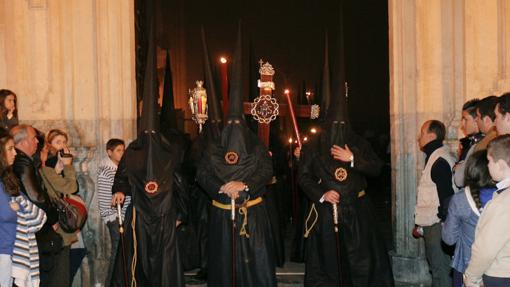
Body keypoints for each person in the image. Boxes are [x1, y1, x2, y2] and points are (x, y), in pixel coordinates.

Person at [110, 8, 188, 285]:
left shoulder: (170, 150)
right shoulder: (132, 151)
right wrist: (119, 191)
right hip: (139, 217)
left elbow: (180, 182)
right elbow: (121, 178)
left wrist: (181, 213)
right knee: (139, 260)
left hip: (166, 216)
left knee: (166, 264)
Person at [196, 26, 277, 287]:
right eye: (229, 126)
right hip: (221, 215)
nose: (233, 131)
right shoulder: (213, 147)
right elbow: (202, 174)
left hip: (252, 214)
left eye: (237, 126)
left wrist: (244, 185)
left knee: (255, 266)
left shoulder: (255, 146)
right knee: (223, 265)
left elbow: (265, 171)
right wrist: (222, 187)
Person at [11, 124, 68, 287]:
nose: (37, 141)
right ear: (22, 142)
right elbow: (36, 196)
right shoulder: (22, 163)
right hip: (38, 229)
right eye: (33, 138)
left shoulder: (26, 161)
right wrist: (53, 218)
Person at [442, 150, 496, 287]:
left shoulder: (460, 199)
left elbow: (449, 239)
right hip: (498, 269)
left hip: (467, 267)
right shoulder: (503, 197)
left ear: (471, 170)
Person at [39, 129, 85, 284]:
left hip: (63, 227)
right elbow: (70, 187)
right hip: (56, 229)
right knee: (60, 276)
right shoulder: (45, 169)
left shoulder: (55, 169)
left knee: (65, 270)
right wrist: (68, 166)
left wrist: (62, 167)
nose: (63, 146)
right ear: (49, 146)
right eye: (58, 142)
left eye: (64, 142)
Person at [464, 135, 510, 287]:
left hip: (501, 275)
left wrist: (471, 278)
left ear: (501, 165)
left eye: (489, 161)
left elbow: (486, 250)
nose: (488, 166)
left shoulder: (502, 203)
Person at [415, 120, 456, 287]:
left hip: (437, 225)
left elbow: (446, 197)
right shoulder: (436, 156)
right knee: (438, 270)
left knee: (440, 271)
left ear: (431, 136)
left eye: (422, 133)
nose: (419, 137)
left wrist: (442, 224)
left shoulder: (439, 161)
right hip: (432, 223)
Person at [97, 138, 130, 285]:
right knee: (117, 255)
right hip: (115, 217)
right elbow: (109, 199)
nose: (122, 153)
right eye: (118, 150)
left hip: (121, 216)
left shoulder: (118, 169)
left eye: (123, 150)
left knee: (121, 254)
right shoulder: (108, 171)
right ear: (109, 152)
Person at [453, 99, 484, 188]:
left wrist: (459, 166)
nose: (462, 125)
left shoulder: (482, 143)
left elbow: (462, 178)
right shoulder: (467, 143)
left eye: (465, 119)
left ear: (477, 119)